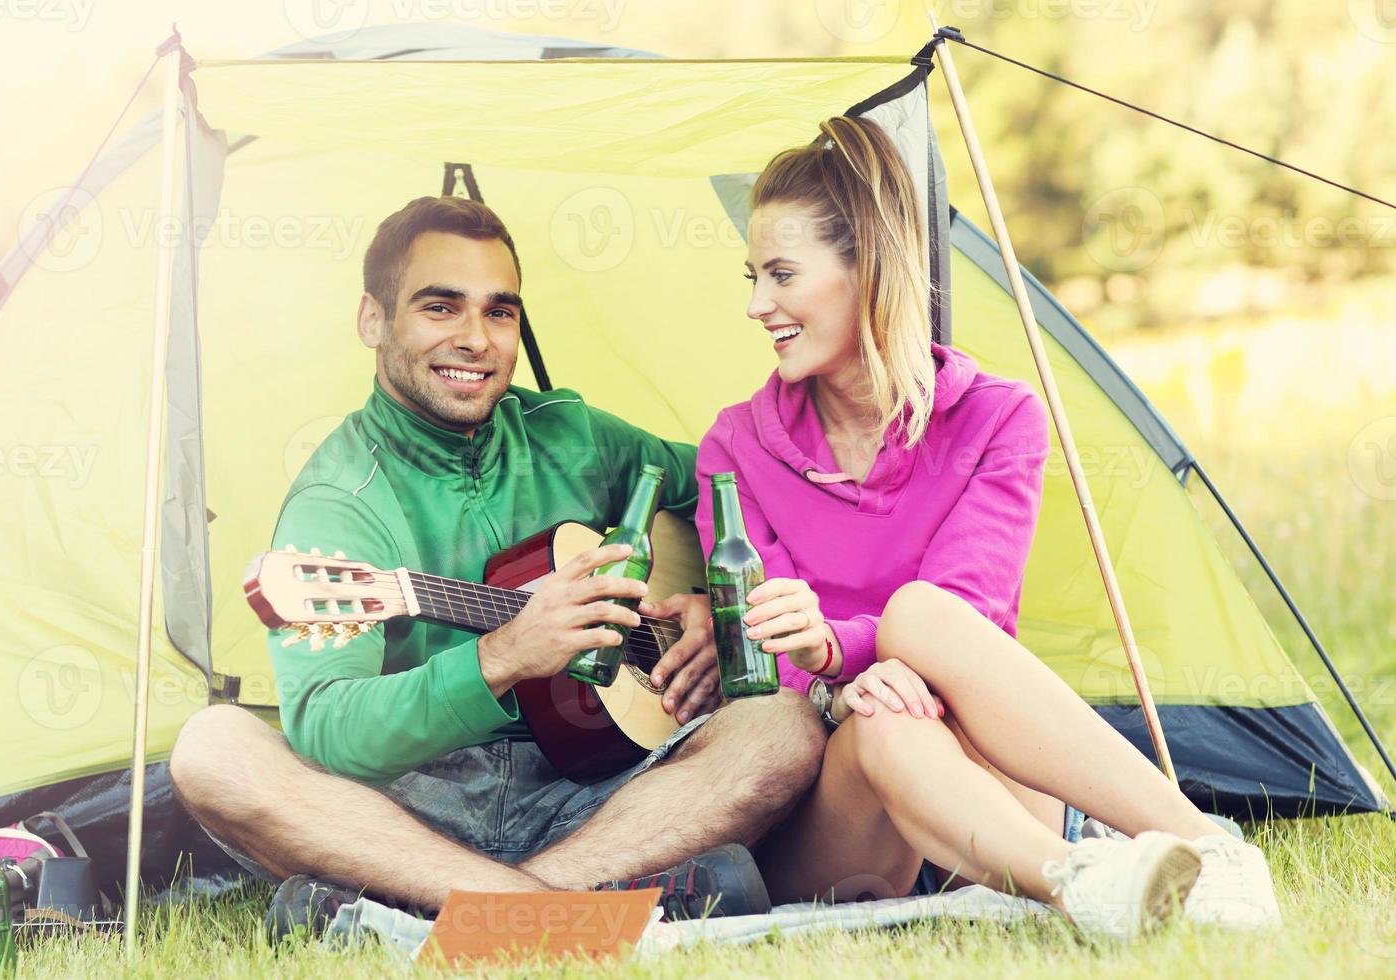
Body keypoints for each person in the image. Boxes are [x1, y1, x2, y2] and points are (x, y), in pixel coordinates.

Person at [169, 196, 825, 939]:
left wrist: (719, 599)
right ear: (373, 320)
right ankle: (586, 906)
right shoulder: (336, 502)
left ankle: (457, 916)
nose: (476, 339)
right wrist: (501, 657)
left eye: (500, 313)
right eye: (441, 308)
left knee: (783, 727)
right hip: (411, 813)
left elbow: (743, 487)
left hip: (605, 793)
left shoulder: (573, 435)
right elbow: (326, 726)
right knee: (213, 750)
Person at [694, 117, 1281, 939]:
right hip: (842, 810)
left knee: (921, 625)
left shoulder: (997, 419)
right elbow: (758, 663)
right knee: (880, 722)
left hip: (985, 773)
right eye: (753, 276)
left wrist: (840, 642)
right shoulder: (735, 448)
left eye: (782, 274)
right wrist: (829, 675)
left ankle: (1198, 850)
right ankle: (1087, 879)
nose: (759, 305)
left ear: (869, 269)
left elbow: (962, 613)